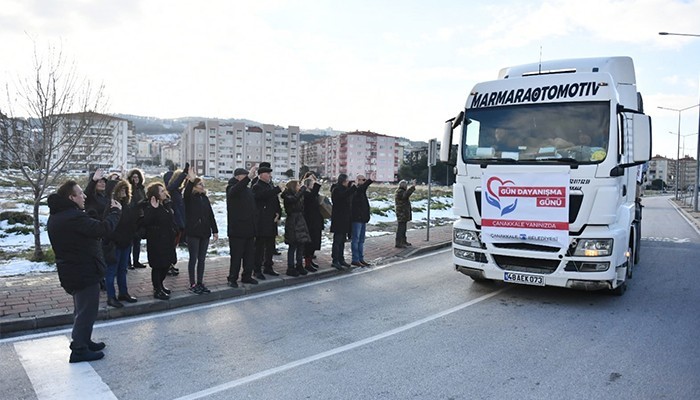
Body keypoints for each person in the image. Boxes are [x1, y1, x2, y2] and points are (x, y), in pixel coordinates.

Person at [47, 180, 121, 363]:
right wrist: (115, 213)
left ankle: (84, 340)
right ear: (71, 197)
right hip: (82, 270)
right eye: (80, 193)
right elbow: (103, 229)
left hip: (75, 270)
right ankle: (79, 349)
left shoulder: (60, 215)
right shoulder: (72, 217)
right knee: (86, 311)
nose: (84, 196)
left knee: (82, 309)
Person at [104, 179, 139, 308]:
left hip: (126, 242)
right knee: (111, 271)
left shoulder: (128, 205)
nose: (124, 192)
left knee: (122, 270)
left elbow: (131, 223)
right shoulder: (112, 205)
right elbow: (107, 225)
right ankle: (111, 297)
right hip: (115, 244)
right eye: (121, 190)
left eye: (126, 190)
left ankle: (123, 293)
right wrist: (116, 238)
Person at [183, 168, 218, 294]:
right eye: (200, 184)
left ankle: (200, 282)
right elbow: (186, 193)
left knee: (202, 259)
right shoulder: (189, 197)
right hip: (193, 232)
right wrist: (191, 181)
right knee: (194, 258)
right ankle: (192, 283)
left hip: (204, 232)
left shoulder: (205, 198)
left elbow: (211, 215)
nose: (203, 186)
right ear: (193, 186)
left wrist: (215, 230)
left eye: (203, 184)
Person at [141, 182, 177, 300]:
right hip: (156, 241)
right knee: (158, 266)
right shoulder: (150, 206)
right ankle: (157, 289)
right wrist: (153, 209)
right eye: (161, 191)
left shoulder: (165, 205)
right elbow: (146, 221)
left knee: (166, 265)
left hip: (167, 240)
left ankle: (161, 285)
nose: (164, 193)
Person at [226, 166, 259, 287]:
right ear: (237, 177)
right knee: (236, 256)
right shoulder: (231, 188)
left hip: (250, 229)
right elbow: (235, 191)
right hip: (237, 230)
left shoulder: (247, 190)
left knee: (249, 256)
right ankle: (232, 278)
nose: (247, 178)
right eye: (244, 176)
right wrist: (248, 178)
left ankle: (247, 276)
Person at [252, 163, 283, 280]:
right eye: (267, 173)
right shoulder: (257, 186)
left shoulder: (270, 186)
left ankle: (268, 266)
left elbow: (275, 201)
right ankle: (257, 269)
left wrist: (278, 213)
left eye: (270, 173)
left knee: (270, 246)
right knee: (259, 247)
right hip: (261, 221)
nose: (270, 175)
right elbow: (262, 196)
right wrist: (277, 190)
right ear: (261, 175)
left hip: (271, 220)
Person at [282, 179, 312, 276]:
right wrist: (302, 190)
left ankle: (299, 265)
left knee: (301, 244)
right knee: (293, 245)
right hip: (292, 222)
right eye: (298, 185)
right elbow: (293, 200)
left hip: (300, 220)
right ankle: (290, 267)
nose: (299, 186)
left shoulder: (298, 195)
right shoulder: (287, 196)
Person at [165, 165, 189, 276]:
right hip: (174, 224)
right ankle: (168, 266)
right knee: (170, 246)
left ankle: (170, 265)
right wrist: (183, 174)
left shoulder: (177, 192)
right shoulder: (171, 191)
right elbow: (172, 185)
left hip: (180, 224)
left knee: (173, 246)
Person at [330, 173, 356, 270]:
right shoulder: (336, 189)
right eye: (347, 180)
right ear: (343, 181)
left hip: (345, 218)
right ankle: (335, 260)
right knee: (337, 241)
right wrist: (352, 188)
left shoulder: (344, 189)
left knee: (342, 241)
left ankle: (341, 259)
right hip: (338, 219)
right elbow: (341, 197)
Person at [350, 174, 373, 267]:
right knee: (356, 239)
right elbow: (361, 189)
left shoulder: (362, 191)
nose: (362, 181)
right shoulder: (355, 190)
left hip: (362, 218)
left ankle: (360, 258)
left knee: (361, 240)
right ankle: (355, 259)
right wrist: (369, 180)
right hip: (356, 219)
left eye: (363, 180)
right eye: (361, 179)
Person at [302, 173, 323, 271]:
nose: (313, 185)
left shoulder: (311, 193)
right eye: (311, 184)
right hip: (309, 221)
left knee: (314, 242)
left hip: (315, 220)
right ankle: (307, 263)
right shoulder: (306, 194)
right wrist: (316, 184)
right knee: (309, 244)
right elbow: (311, 196)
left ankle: (310, 261)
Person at [127, 168, 147, 269]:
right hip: (131, 217)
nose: (136, 179)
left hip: (140, 217)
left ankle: (136, 261)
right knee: (130, 241)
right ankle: (128, 262)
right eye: (134, 177)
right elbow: (130, 203)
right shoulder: (129, 188)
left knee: (137, 241)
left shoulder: (141, 188)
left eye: (137, 177)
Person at [395, 179, 416, 248]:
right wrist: (412, 187)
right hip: (401, 213)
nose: (406, 186)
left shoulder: (401, 191)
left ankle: (403, 241)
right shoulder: (400, 192)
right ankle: (399, 243)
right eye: (405, 185)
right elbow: (406, 195)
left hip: (403, 213)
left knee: (403, 228)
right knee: (401, 228)